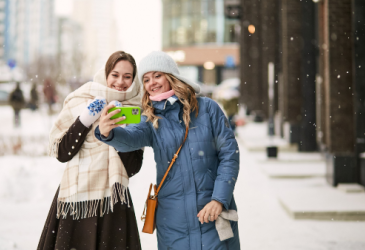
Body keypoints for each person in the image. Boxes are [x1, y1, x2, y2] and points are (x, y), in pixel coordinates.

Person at [96, 51, 240, 250]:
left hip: (213, 216)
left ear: (172, 76)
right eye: (146, 79)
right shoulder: (150, 118)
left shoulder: (208, 109)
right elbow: (130, 139)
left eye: (157, 75)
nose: (152, 83)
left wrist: (219, 199)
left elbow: (229, 156)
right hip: (172, 223)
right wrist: (108, 134)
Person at [38, 51, 144, 250]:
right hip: (75, 199)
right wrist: (85, 119)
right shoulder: (82, 99)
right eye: (115, 74)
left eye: (127, 76)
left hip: (113, 202)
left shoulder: (134, 110)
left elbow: (132, 167)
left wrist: (114, 134)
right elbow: (63, 152)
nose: (120, 82)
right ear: (106, 74)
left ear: (133, 79)